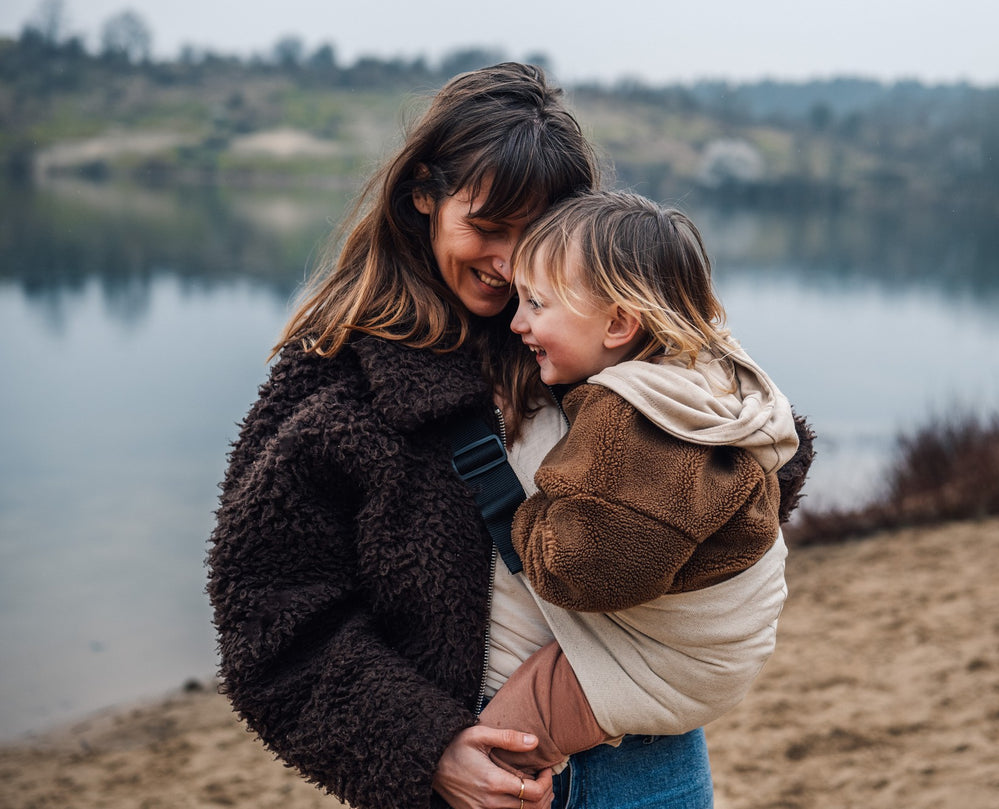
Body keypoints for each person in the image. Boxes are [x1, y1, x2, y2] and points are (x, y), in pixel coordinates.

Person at [207, 62, 814, 809]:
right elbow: (270, 620)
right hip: (475, 781)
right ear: (423, 192)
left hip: (650, 760)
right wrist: (426, 748)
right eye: (487, 228)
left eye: (534, 235)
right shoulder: (333, 379)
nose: (507, 262)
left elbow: (757, 469)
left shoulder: (616, 335)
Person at [475, 191, 807, 779]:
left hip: (680, 659)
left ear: (620, 323)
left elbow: (580, 568)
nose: (517, 321)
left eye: (537, 304)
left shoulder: (626, 416)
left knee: (508, 737)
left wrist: (521, 507)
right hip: (732, 650)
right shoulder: (705, 371)